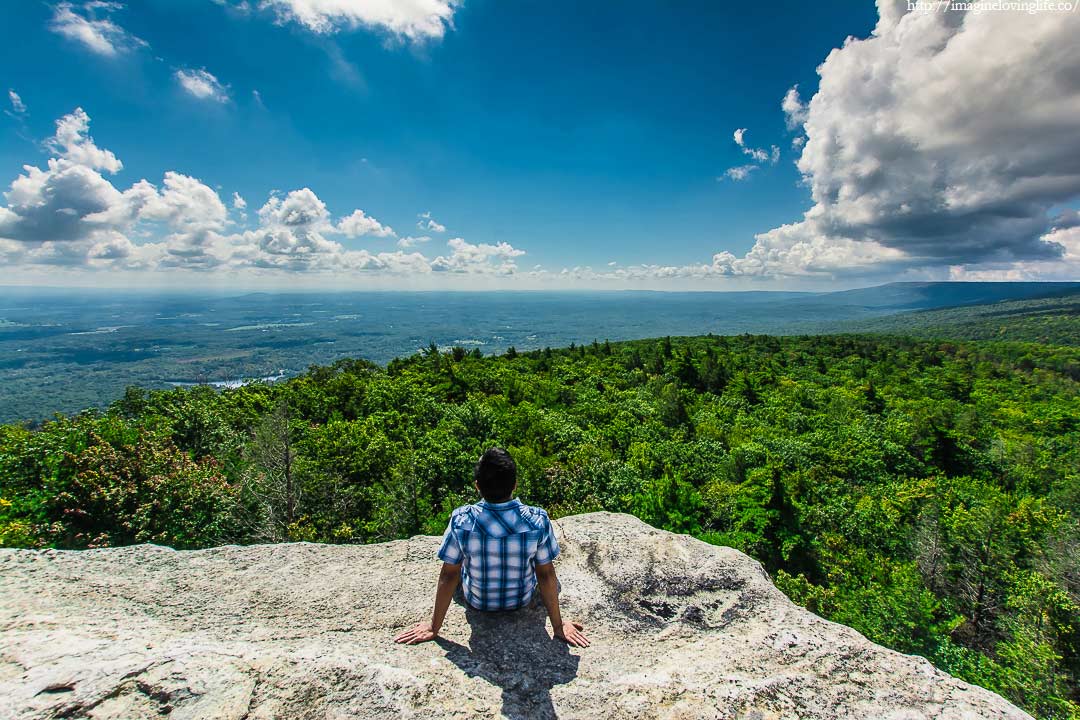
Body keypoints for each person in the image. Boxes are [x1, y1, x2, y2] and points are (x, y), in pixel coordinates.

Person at [394, 447, 590, 648]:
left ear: (477, 486)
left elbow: (449, 575)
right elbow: (546, 575)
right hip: (521, 599)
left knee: (458, 567)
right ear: (514, 485)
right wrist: (558, 626)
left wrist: (433, 627)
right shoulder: (537, 520)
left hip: (478, 602)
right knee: (554, 581)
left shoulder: (462, 520)